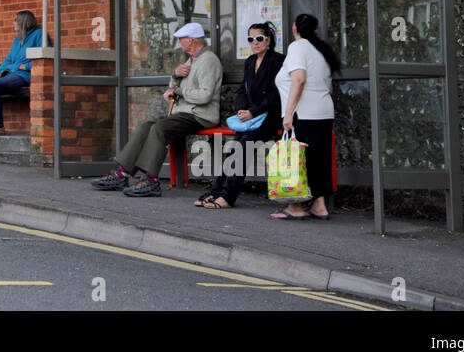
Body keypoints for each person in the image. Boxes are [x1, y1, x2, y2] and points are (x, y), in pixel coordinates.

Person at [91, 21, 221, 197]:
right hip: (184, 113)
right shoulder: (192, 60)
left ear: (191, 40)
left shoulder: (208, 60)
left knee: (159, 128)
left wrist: (179, 91)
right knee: (146, 126)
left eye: (182, 39)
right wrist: (175, 76)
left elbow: (205, 95)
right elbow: (174, 87)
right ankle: (121, 174)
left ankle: (151, 181)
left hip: (200, 115)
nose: (180, 42)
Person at [196, 22, 283, 209]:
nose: (255, 43)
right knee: (234, 148)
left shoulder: (277, 61)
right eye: (251, 39)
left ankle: (228, 196)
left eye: (259, 39)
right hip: (250, 117)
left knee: (243, 148)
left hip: (269, 116)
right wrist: (242, 109)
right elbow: (243, 89)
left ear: (268, 41)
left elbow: (277, 94)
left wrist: (254, 111)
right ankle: (216, 191)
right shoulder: (250, 61)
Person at [270, 13, 341, 221]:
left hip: (303, 112)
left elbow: (299, 79)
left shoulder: (297, 47)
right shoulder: (321, 50)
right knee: (319, 159)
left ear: (294, 28)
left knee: (298, 159)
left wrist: (289, 112)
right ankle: (319, 206)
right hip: (324, 111)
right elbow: (329, 88)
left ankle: (296, 206)